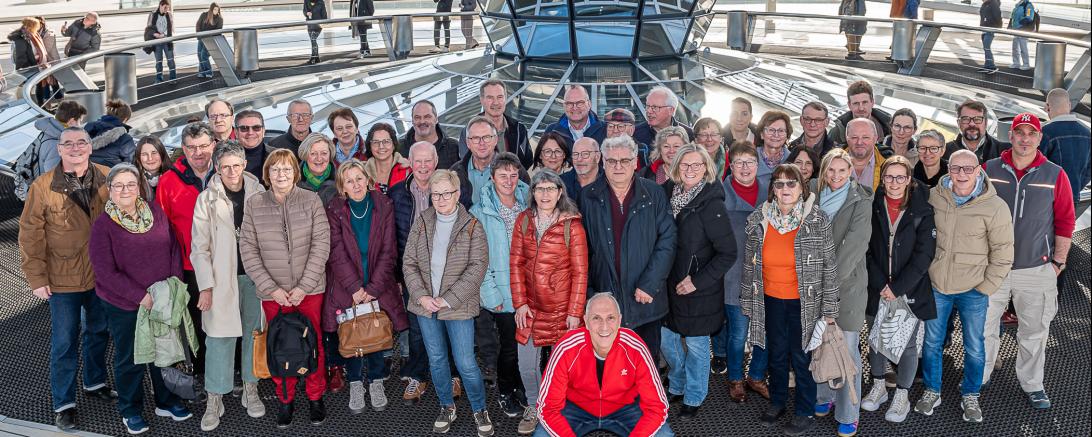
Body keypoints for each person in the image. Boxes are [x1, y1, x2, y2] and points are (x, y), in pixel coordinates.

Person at [19, 127, 115, 432]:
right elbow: (30, 236)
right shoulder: (43, 186)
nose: (75, 148)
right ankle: (64, 404)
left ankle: (95, 382)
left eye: (81, 142)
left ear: (90, 147)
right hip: (62, 278)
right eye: (68, 143)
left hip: (100, 274)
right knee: (64, 341)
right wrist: (37, 277)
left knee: (99, 331)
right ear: (59, 150)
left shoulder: (107, 176)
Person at [89, 164, 192, 434]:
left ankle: (166, 401)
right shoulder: (103, 225)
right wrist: (141, 297)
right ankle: (130, 409)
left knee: (164, 352)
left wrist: (172, 285)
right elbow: (105, 272)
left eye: (131, 184)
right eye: (119, 185)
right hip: (126, 304)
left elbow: (172, 248)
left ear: (139, 187)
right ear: (109, 190)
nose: (125, 190)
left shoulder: (154, 211)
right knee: (131, 358)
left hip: (161, 298)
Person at [982, 113, 1074, 409]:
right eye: (1019, 133)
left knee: (1034, 330)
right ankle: (978, 378)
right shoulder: (989, 169)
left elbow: (1065, 221)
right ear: (1011, 136)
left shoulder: (1055, 174)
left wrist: (1057, 263)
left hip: (1036, 268)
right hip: (993, 268)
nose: (1024, 138)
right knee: (983, 327)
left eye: (1030, 133)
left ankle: (1032, 384)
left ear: (1039, 138)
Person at [915, 149, 1013, 423]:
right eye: (956, 168)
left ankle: (971, 394)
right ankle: (932, 391)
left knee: (974, 345)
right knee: (932, 343)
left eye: (968, 169)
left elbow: (1003, 252)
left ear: (978, 171)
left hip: (974, 289)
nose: (961, 174)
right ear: (949, 170)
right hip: (938, 286)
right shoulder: (935, 197)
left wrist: (986, 287)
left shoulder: (994, 207)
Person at [741, 163, 839, 436]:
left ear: (802, 187)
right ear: (773, 188)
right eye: (780, 183)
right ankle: (778, 401)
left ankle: (804, 410)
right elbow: (749, 266)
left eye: (791, 183)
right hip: (770, 300)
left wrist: (830, 308)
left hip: (804, 303)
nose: (785, 189)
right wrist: (748, 301)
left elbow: (829, 266)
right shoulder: (758, 219)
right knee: (776, 354)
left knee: (802, 356)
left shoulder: (817, 220)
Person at [240, 149, 331, 428]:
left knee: (312, 343)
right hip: (273, 294)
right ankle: (285, 399)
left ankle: (315, 396)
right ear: (267, 174)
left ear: (296, 172)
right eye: (276, 170)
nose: (281, 174)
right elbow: (248, 250)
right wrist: (272, 289)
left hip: (310, 290)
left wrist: (303, 286)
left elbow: (321, 244)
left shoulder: (311, 200)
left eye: (287, 169)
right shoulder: (254, 204)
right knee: (279, 345)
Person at [402, 170, 495, 436]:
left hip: (458, 307)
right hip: (425, 305)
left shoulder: (472, 225)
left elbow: (478, 268)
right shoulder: (422, 220)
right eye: (436, 194)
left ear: (457, 194)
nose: (441, 199)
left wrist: (448, 299)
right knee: (437, 360)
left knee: (465, 361)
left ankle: (479, 409)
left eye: (446, 193)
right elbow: (409, 262)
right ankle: (446, 406)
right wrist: (421, 296)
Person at [189, 141, 267, 430]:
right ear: (217, 169)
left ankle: (250, 387)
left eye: (236, 165)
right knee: (219, 338)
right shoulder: (206, 199)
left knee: (253, 333)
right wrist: (206, 287)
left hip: (255, 278)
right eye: (225, 167)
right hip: (222, 281)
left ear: (244, 164)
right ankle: (215, 396)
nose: (231, 171)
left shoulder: (259, 193)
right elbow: (199, 248)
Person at [579, 135, 677, 364]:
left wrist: (649, 284)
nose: (618, 166)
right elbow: (583, 249)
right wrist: (591, 293)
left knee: (645, 362)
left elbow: (668, 239)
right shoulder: (588, 196)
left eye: (625, 160)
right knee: (608, 364)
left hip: (645, 298)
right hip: (605, 300)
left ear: (635, 162)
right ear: (603, 163)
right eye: (612, 161)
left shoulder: (654, 194)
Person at [323, 159, 408, 414]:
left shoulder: (383, 205)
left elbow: (388, 250)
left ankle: (377, 382)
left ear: (368, 180)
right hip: (347, 286)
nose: (356, 184)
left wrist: (372, 288)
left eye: (359, 178)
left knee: (376, 332)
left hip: (377, 283)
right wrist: (355, 289)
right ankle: (356, 383)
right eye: (349, 180)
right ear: (342, 187)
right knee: (351, 333)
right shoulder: (335, 208)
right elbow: (335, 252)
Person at [509, 169, 590, 435]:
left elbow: (580, 272)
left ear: (559, 193)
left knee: (563, 368)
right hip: (530, 309)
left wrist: (575, 311)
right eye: (539, 189)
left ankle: (557, 409)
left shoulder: (572, 226)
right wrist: (520, 303)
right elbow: (516, 264)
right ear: (532, 193)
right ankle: (534, 405)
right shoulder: (523, 221)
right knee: (526, 365)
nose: (544, 194)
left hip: (561, 310)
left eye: (550, 189)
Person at [661, 144, 737, 421]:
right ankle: (678, 383)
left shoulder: (711, 204)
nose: (690, 170)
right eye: (685, 165)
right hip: (667, 285)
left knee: (696, 346)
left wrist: (697, 281)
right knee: (666, 341)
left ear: (706, 168)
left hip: (698, 291)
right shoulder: (667, 195)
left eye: (697, 165)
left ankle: (694, 395)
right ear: (676, 168)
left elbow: (728, 252)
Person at [861, 156, 936, 423]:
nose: (894, 183)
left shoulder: (922, 211)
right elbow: (865, 250)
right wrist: (881, 284)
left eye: (900, 177)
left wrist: (898, 288)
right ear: (882, 179)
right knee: (875, 341)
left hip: (909, 291)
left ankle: (902, 395)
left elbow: (924, 255)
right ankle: (879, 385)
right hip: (877, 289)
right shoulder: (871, 207)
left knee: (905, 346)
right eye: (889, 177)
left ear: (909, 180)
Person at [533, 293, 673, 437]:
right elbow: (548, 408)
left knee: (664, 434)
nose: (604, 326)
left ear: (619, 321)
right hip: (576, 409)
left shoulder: (635, 347)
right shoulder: (566, 348)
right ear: (586, 321)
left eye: (610, 318)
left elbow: (657, 407)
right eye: (596, 318)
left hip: (625, 409)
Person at [389, 142, 464, 406]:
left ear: (435, 161)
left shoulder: (448, 190)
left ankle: (453, 374)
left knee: (449, 323)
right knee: (419, 328)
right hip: (414, 274)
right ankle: (418, 376)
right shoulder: (397, 193)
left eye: (427, 161)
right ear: (409, 161)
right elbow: (392, 237)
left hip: (447, 271)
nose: (423, 167)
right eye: (417, 161)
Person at [813, 148, 872, 437]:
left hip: (845, 288)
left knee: (846, 350)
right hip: (811, 285)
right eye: (831, 170)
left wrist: (828, 287)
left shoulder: (861, 199)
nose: (836, 176)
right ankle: (824, 395)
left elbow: (854, 247)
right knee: (818, 344)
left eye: (842, 170)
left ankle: (849, 411)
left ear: (851, 171)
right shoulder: (811, 192)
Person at [469, 152, 531, 417]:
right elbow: (478, 258)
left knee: (530, 348)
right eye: (503, 175)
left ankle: (526, 388)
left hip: (529, 290)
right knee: (509, 348)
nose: (509, 180)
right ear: (491, 177)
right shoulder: (479, 212)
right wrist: (489, 293)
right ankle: (506, 391)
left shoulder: (529, 203)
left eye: (513, 175)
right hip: (503, 294)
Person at [712, 141, 770, 403]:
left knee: (766, 333)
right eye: (739, 163)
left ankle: (756, 376)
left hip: (768, 276)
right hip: (734, 277)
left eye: (750, 162)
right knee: (738, 334)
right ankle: (735, 378)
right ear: (730, 166)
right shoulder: (719, 196)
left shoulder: (772, 193)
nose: (745, 168)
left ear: (758, 166)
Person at [157, 122, 218, 369]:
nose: (198, 152)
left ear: (214, 145)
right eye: (191, 147)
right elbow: (163, 229)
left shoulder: (226, 173)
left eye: (204, 146)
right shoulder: (170, 181)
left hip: (225, 260)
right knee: (199, 318)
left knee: (227, 315)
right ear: (183, 149)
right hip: (189, 264)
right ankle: (204, 368)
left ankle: (232, 367)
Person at [454, 116, 530, 207]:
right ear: (468, 143)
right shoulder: (456, 172)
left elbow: (529, 204)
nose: (481, 143)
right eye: (475, 138)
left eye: (486, 137)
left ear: (495, 140)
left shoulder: (515, 169)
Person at [460, 80, 533, 168]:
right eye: (490, 97)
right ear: (482, 100)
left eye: (500, 97)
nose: (496, 102)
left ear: (505, 98)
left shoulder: (518, 129)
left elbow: (527, 161)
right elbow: (466, 165)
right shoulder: (469, 131)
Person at [1040, 88, 1091, 205]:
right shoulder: (1087, 133)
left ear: (1047, 106)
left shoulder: (1044, 133)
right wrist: (1075, 187)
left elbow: (1035, 167)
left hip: (1047, 199)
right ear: (1069, 105)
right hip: (1073, 197)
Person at [943, 100, 1010, 162]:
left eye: (977, 119)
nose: (972, 124)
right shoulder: (943, 152)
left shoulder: (1005, 152)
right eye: (966, 119)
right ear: (958, 123)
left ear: (986, 123)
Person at [400, 99, 461, 169]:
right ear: (412, 121)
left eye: (427, 117)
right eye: (417, 117)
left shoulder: (453, 147)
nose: (422, 121)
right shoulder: (399, 148)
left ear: (436, 119)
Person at [829, 80, 891, 146]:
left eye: (864, 102)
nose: (861, 108)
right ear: (849, 105)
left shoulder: (889, 128)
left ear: (872, 102)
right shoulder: (837, 132)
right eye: (856, 103)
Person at [9, 18, 52, 104]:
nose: (38, 28)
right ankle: (23, 104)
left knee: (39, 85)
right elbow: (17, 56)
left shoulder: (33, 35)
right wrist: (22, 70)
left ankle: (40, 104)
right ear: (31, 26)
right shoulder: (21, 38)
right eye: (36, 26)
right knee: (24, 87)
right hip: (26, 67)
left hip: (36, 65)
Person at [845, 118, 893, 192]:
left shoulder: (888, 164)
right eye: (854, 137)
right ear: (847, 138)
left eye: (865, 137)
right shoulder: (831, 162)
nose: (859, 142)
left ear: (875, 139)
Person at [363, 122, 412, 193]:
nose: (381, 146)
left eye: (386, 141)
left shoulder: (408, 169)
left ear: (394, 145)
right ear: (370, 146)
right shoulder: (362, 173)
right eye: (376, 142)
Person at [87, 100, 136, 168]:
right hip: (111, 176)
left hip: (86, 175)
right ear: (125, 119)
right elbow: (131, 166)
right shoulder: (125, 139)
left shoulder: (86, 130)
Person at [297, 132, 339, 205]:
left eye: (324, 153)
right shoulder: (292, 181)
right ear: (305, 154)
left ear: (330, 154)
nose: (319, 159)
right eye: (313, 153)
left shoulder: (341, 179)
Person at [559, 137, 603, 203]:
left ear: (597, 157)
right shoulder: (561, 182)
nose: (579, 159)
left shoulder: (610, 183)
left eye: (585, 154)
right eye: (575, 154)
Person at [755, 111, 792, 182]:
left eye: (781, 131)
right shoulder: (749, 157)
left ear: (787, 136)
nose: (776, 135)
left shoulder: (793, 160)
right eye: (771, 130)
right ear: (762, 134)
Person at [133, 136, 171, 203]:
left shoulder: (175, 176)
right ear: (138, 157)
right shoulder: (132, 180)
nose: (150, 158)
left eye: (154, 153)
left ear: (162, 153)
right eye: (144, 154)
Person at [233, 110, 271, 177]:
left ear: (263, 131)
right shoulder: (227, 159)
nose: (250, 133)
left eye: (256, 128)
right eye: (244, 128)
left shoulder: (278, 155)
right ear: (236, 132)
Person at [146, 0, 176, 83]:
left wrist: (164, 35)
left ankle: (173, 78)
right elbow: (148, 28)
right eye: (165, 7)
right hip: (156, 41)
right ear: (160, 5)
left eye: (168, 8)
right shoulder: (152, 14)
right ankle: (159, 78)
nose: (166, 9)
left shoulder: (169, 15)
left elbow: (171, 29)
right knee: (158, 61)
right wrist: (155, 34)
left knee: (171, 60)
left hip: (167, 40)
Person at [36, 17, 63, 102]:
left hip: (51, 62)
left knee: (53, 83)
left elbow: (46, 49)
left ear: (41, 24)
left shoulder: (49, 34)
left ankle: (59, 101)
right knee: (44, 84)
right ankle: (47, 103)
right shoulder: (36, 32)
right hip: (42, 62)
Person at [196, 3, 223, 78]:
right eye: (214, 9)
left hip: (210, 40)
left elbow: (218, 31)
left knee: (203, 55)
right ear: (211, 9)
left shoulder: (219, 19)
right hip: (201, 38)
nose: (216, 11)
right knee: (199, 54)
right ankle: (202, 72)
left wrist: (210, 38)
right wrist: (199, 36)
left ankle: (209, 72)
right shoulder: (204, 15)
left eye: (217, 10)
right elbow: (198, 25)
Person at [1008, 0, 1037, 70]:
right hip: (1016, 29)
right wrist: (1010, 25)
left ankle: (1026, 64)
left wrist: (1020, 23)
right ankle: (1016, 63)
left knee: (1023, 47)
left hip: (1023, 29)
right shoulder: (1017, 5)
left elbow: (1029, 17)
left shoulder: (1028, 5)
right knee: (1015, 47)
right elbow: (1013, 16)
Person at [977, 0, 1002, 74]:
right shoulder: (985, 4)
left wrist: (997, 27)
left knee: (987, 46)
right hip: (984, 28)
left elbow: (997, 15)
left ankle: (991, 66)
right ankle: (987, 65)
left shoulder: (993, 3)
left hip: (990, 28)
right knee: (985, 47)